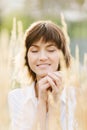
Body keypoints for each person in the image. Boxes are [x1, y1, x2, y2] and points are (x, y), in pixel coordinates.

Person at [8, 20, 76, 130]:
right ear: (26, 56)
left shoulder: (77, 99)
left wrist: (54, 104)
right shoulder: (16, 98)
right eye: (34, 51)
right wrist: (42, 102)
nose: (42, 57)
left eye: (51, 50)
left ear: (62, 55)